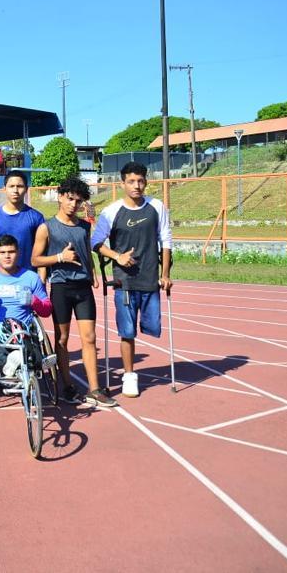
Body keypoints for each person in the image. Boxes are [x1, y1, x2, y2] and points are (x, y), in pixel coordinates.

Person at [32, 175, 116, 407]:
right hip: (61, 287)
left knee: (90, 337)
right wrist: (60, 257)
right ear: (60, 197)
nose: (73, 204)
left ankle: (95, 389)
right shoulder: (46, 227)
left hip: (83, 288)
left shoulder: (83, 227)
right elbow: (35, 259)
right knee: (63, 339)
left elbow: (86, 253)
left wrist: (94, 275)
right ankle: (67, 385)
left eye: (78, 201)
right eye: (69, 199)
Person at [91, 161, 173, 398]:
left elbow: (166, 241)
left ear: (146, 181)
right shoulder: (111, 211)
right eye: (131, 181)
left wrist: (165, 274)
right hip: (123, 282)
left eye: (141, 181)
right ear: (122, 183)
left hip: (150, 280)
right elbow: (95, 242)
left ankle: (133, 373)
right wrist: (117, 256)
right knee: (127, 331)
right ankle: (129, 376)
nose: (137, 186)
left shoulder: (157, 207)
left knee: (152, 327)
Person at [0, 234, 53, 377]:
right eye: (2, 252)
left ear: (18, 253)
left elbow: (47, 310)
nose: (7, 256)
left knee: (32, 353)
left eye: (11, 252)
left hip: (23, 329)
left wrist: (33, 301)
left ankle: (27, 361)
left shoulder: (31, 278)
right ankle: (15, 361)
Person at [0, 169, 44, 273]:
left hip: (28, 277)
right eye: (11, 186)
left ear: (26, 189)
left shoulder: (36, 217)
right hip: (2, 278)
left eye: (19, 186)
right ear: (4, 189)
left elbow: (42, 252)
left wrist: (41, 278)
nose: (15, 190)